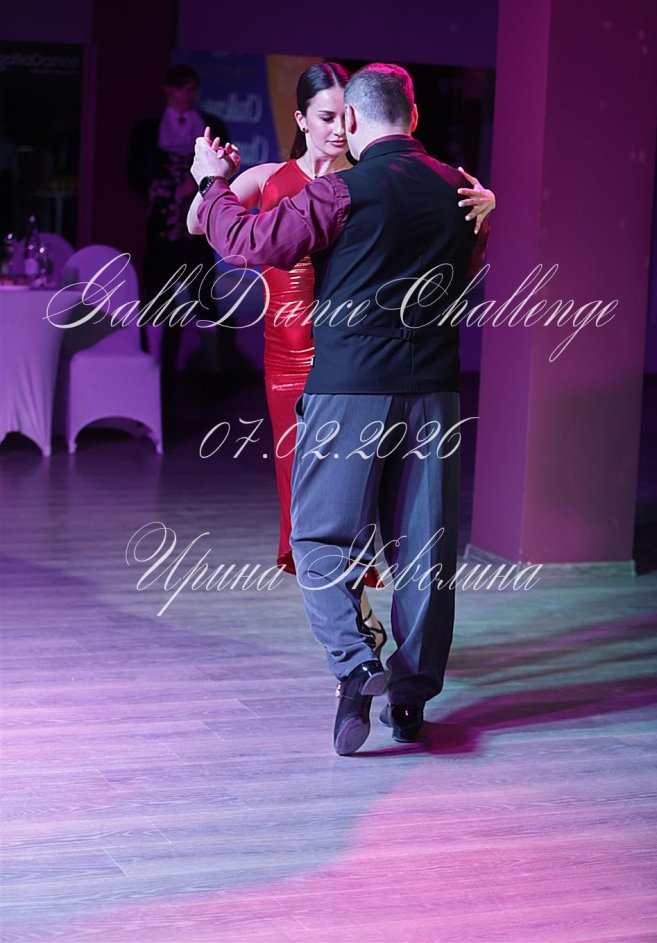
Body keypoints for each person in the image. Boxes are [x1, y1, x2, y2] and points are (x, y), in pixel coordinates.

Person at [191, 63, 492, 755]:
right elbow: (471, 264)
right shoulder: (462, 189)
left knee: (320, 540)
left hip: (351, 387)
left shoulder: (341, 191)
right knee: (424, 550)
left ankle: (357, 667)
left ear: (352, 121)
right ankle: (410, 701)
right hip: (435, 391)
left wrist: (210, 184)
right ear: (414, 117)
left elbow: (244, 243)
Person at [127, 64, 236, 395]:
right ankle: (156, 372)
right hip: (161, 224)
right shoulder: (148, 129)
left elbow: (223, 168)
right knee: (158, 299)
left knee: (204, 298)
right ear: (168, 89)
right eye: (179, 87)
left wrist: (199, 187)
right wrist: (162, 189)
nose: (185, 94)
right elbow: (134, 172)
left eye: (190, 88)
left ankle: (215, 374)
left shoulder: (211, 124)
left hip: (195, 225)